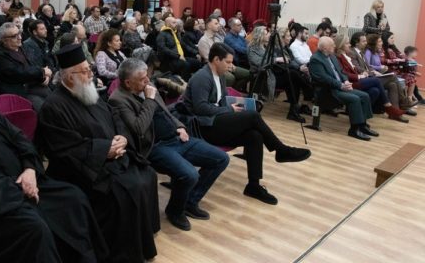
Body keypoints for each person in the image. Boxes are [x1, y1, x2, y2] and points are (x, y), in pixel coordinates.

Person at [0, 65, 108, 263]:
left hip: (27, 183)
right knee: (35, 229)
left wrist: (30, 169)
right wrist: (23, 186)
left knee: (75, 198)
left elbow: (21, 140)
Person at [38, 43, 160, 262]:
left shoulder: (87, 91)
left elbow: (114, 114)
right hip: (84, 170)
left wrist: (122, 137)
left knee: (147, 174)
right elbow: (65, 149)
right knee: (129, 189)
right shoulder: (53, 107)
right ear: (69, 77)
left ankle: (142, 240)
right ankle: (122, 254)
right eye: (85, 71)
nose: (90, 75)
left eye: (90, 69)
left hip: (112, 157)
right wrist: (105, 150)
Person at [109, 58, 229, 231]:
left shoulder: (147, 87)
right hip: (155, 146)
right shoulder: (118, 99)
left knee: (221, 158)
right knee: (189, 175)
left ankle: (190, 202)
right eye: (142, 79)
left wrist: (179, 126)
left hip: (175, 137)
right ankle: (175, 211)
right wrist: (149, 100)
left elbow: (166, 112)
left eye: (147, 76)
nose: (147, 81)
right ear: (128, 82)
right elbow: (139, 129)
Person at [183, 43, 310, 205]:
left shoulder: (219, 76)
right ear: (216, 60)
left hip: (216, 122)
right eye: (228, 62)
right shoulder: (202, 77)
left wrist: (234, 107)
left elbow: (221, 102)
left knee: (254, 136)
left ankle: (253, 185)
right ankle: (281, 150)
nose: (231, 66)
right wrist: (230, 110)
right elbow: (200, 108)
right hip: (203, 127)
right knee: (253, 117)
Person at [309, 37, 376, 141]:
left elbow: (341, 72)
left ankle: (362, 125)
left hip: (340, 86)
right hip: (328, 90)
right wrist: (340, 85)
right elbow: (324, 78)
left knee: (364, 96)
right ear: (325, 48)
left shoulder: (332, 56)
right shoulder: (316, 59)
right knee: (354, 99)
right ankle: (354, 129)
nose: (335, 46)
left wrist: (345, 81)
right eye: (332, 45)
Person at [334, 35, 407, 122]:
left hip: (361, 77)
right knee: (390, 77)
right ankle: (395, 105)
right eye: (347, 43)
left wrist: (369, 72)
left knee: (383, 88)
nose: (349, 45)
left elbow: (364, 67)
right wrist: (362, 75)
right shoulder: (341, 56)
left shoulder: (351, 54)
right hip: (352, 82)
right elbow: (345, 73)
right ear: (341, 45)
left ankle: (392, 112)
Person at [247, 26, 306, 122]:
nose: (269, 35)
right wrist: (276, 59)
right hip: (262, 76)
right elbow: (259, 63)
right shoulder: (252, 48)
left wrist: (278, 60)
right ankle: (307, 91)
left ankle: (293, 111)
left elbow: (273, 60)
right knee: (293, 75)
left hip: (271, 74)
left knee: (292, 78)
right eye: (266, 34)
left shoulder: (267, 46)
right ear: (260, 36)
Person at [0, 22, 52, 111]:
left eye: (19, 33)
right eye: (14, 36)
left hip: (31, 85)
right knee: (43, 108)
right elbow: (19, 73)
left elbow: (31, 66)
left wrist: (43, 77)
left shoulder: (20, 48)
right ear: (4, 40)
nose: (20, 37)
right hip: (18, 92)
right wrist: (42, 72)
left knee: (53, 99)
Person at [156, 16, 202, 80]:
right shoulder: (162, 34)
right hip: (168, 61)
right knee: (186, 65)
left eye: (176, 22)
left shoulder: (175, 33)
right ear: (168, 24)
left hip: (179, 58)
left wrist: (196, 53)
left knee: (197, 63)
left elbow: (184, 45)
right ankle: (186, 83)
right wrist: (178, 56)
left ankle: (196, 80)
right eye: (174, 22)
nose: (176, 24)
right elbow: (163, 49)